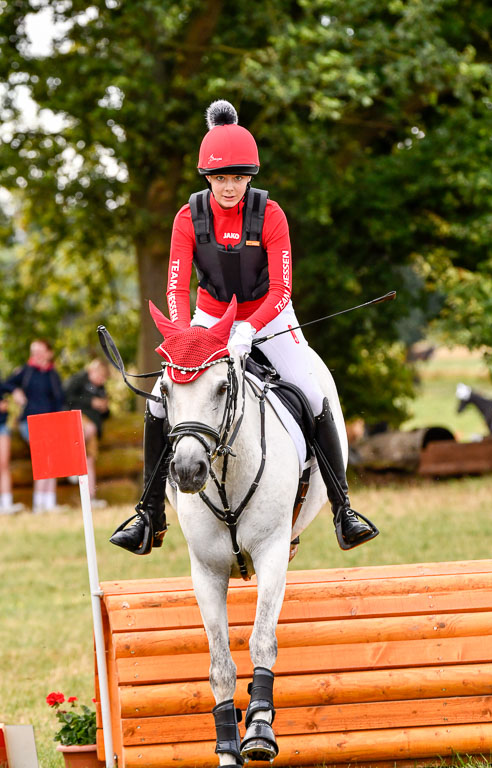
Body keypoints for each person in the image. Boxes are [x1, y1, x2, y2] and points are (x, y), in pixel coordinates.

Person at [111, 99, 378, 554]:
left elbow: (282, 288)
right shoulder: (187, 218)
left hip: (269, 316)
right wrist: (182, 335)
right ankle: (149, 514)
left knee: (311, 393)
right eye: (219, 178)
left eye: (237, 177)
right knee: (160, 400)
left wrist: (248, 328)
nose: (229, 187)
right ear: (208, 178)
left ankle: (342, 509)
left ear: (249, 177)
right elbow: (177, 286)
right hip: (209, 317)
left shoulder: (270, 215)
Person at [7, 339, 65, 513]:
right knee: (44, 455)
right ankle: (38, 503)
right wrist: (15, 391)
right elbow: (6, 383)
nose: (37, 356)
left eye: (41, 352)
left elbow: (60, 400)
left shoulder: (53, 375)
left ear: (49, 353)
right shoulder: (26, 372)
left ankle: (49, 502)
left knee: (52, 458)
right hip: (30, 421)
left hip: (51, 422)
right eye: (34, 352)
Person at [65, 358, 110, 508]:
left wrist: (104, 408)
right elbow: (67, 398)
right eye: (100, 376)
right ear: (92, 370)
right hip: (77, 420)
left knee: (89, 459)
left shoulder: (101, 388)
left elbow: (105, 413)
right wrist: (91, 402)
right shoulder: (78, 380)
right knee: (90, 429)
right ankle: (70, 463)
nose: (101, 380)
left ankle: (90, 498)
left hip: (93, 425)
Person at [0, 379, 25, 515]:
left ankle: (6, 503)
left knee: (4, 465)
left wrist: (15, 391)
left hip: (2, 426)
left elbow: (8, 384)